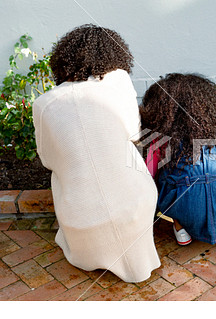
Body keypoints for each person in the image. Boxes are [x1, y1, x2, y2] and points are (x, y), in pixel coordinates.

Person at [32, 24, 160, 283]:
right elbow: (135, 134)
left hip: (79, 219)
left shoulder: (43, 103)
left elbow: (47, 159)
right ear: (115, 56)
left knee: (63, 172)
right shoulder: (118, 83)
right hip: (135, 211)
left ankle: (88, 247)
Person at [141, 73, 216, 245]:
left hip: (186, 206)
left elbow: (149, 173)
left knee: (161, 178)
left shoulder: (162, 141)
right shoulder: (212, 137)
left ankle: (181, 228)